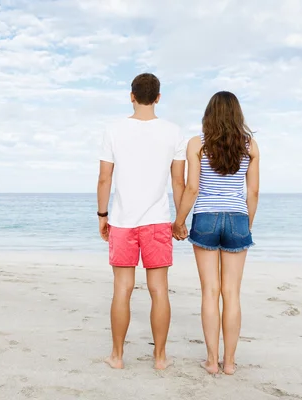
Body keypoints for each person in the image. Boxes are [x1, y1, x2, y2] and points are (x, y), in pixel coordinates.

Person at [97, 73, 187, 370]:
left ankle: (117, 356)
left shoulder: (114, 130)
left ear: (131, 95)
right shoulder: (174, 132)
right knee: (159, 289)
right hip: (157, 220)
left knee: (122, 288)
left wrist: (102, 215)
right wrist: (179, 219)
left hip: (123, 221)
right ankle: (160, 358)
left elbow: (105, 178)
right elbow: (178, 181)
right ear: (158, 97)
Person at [172, 91, 260, 375]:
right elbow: (254, 192)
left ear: (209, 114)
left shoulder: (198, 144)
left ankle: (211, 361)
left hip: (206, 217)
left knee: (210, 291)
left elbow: (193, 188)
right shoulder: (250, 146)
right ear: (237, 115)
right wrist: (247, 224)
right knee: (231, 293)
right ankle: (230, 363)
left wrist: (179, 221)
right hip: (237, 216)